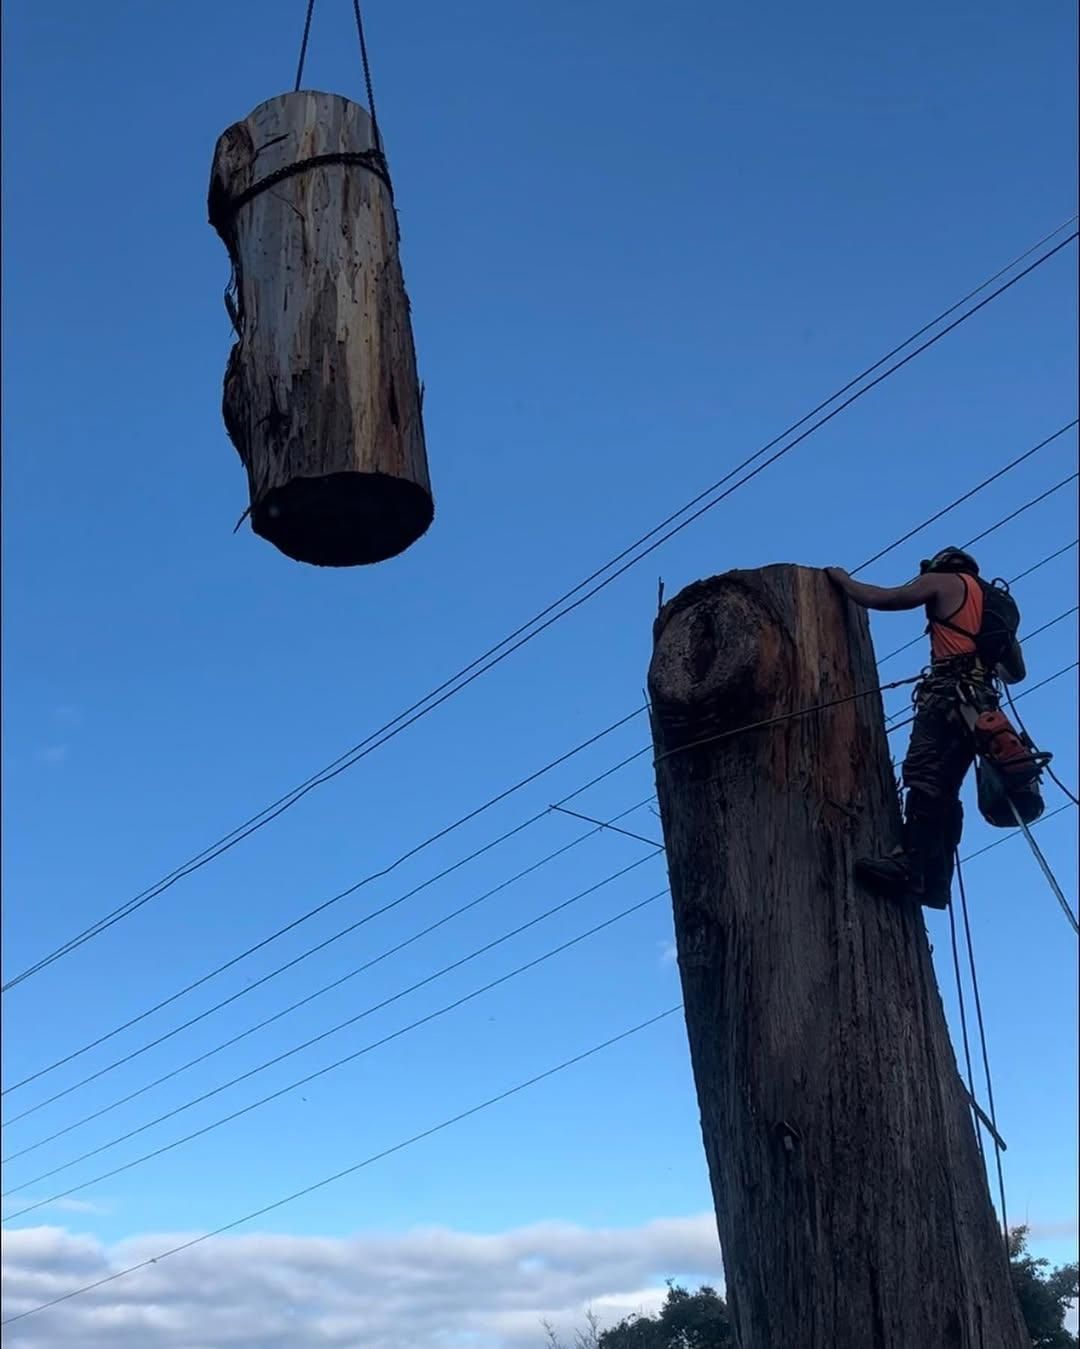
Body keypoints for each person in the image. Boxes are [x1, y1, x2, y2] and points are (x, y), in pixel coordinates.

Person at [825, 547, 1025, 909]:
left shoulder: (943, 582)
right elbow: (1016, 673)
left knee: (924, 775)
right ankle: (936, 880)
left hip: (948, 695)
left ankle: (909, 865)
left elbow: (885, 598)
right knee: (945, 789)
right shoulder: (999, 604)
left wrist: (842, 580)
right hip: (981, 707)